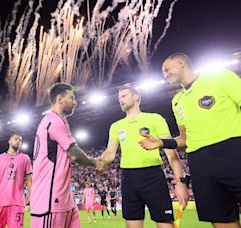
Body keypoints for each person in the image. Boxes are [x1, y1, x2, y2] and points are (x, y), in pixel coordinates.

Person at [139, 53, 241, 227]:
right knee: (221, 220)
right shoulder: (177, 101)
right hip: (200, 163)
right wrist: (162, 143)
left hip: (232, 152)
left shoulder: (220, 77)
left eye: (166, 69)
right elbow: (185, 138)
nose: (164, 75)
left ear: (181, 63)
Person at [99, 85, 189, 228]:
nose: (120, 100)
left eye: (124, 96)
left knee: (165, 224)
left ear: (136, 97)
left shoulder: (155, 119)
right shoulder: (116, 126)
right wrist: (100, 160)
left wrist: (180, 182)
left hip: (153, 176)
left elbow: (171, 153)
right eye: (118, 98)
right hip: (128, 178)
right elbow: (110, 153)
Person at [30, 83, 104, 228]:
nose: (75, 102)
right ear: (59, 99)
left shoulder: (57, 121)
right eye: (72, 98)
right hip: (50, 199)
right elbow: (74, 154)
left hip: (64, 198)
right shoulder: (54, 121)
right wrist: (96, 163)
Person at [0, 133, 32, 228]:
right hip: (0, 201)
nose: (18, 141)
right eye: (16, 139)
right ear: (9, 141)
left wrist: (30, 193)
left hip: (17, 202)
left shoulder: (25, 158)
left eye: (20, 140)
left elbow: (29, 177)